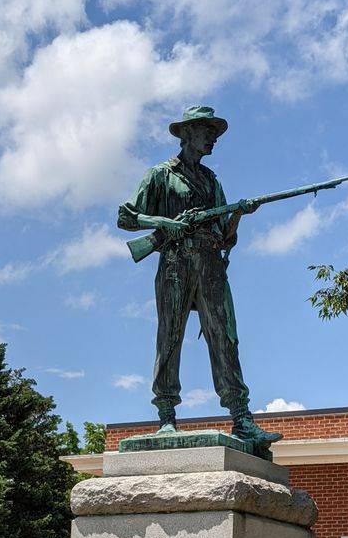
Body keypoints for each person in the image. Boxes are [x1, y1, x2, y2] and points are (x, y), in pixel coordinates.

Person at [117, 106, 282, 446]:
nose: (213, 140)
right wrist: (163, 222)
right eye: (208, 133)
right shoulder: (160, 175)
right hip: (176, 262)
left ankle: (241, 418)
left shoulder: (211, 181)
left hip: (209, 263)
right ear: (188, 133)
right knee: (170, 337)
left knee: (224, 336)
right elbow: (126, 217)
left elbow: (224, 235)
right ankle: (166, 416)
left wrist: (238, 214)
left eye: (214, 134)